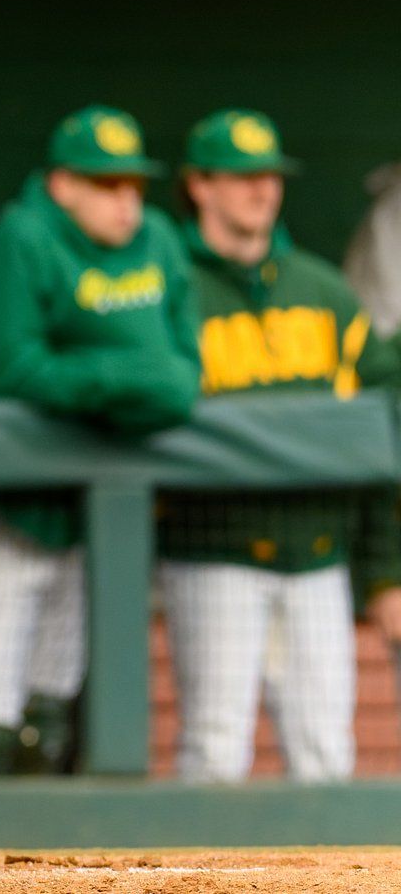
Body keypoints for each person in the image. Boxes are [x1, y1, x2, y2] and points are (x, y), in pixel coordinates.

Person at [0, 105, 199, 774]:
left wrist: (110, 378)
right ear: (61, 184)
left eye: (134, 184)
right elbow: (15, 369)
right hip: (5, 512)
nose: (126, 201)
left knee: (48, 731)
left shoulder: (159, 240)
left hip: (93, 522)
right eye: (105, 184)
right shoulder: (19, 238)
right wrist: (128, 377)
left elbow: (184, 373)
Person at [162, 109, 401, 782]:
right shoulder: (170, 288)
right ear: (200, 185)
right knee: (214, 750)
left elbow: (383, 425)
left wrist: (384, 571)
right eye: (241, 176)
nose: (261, 190)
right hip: (211, 553)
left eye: (269, 176)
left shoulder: (323, 291)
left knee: (325, 752)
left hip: (317, 557)